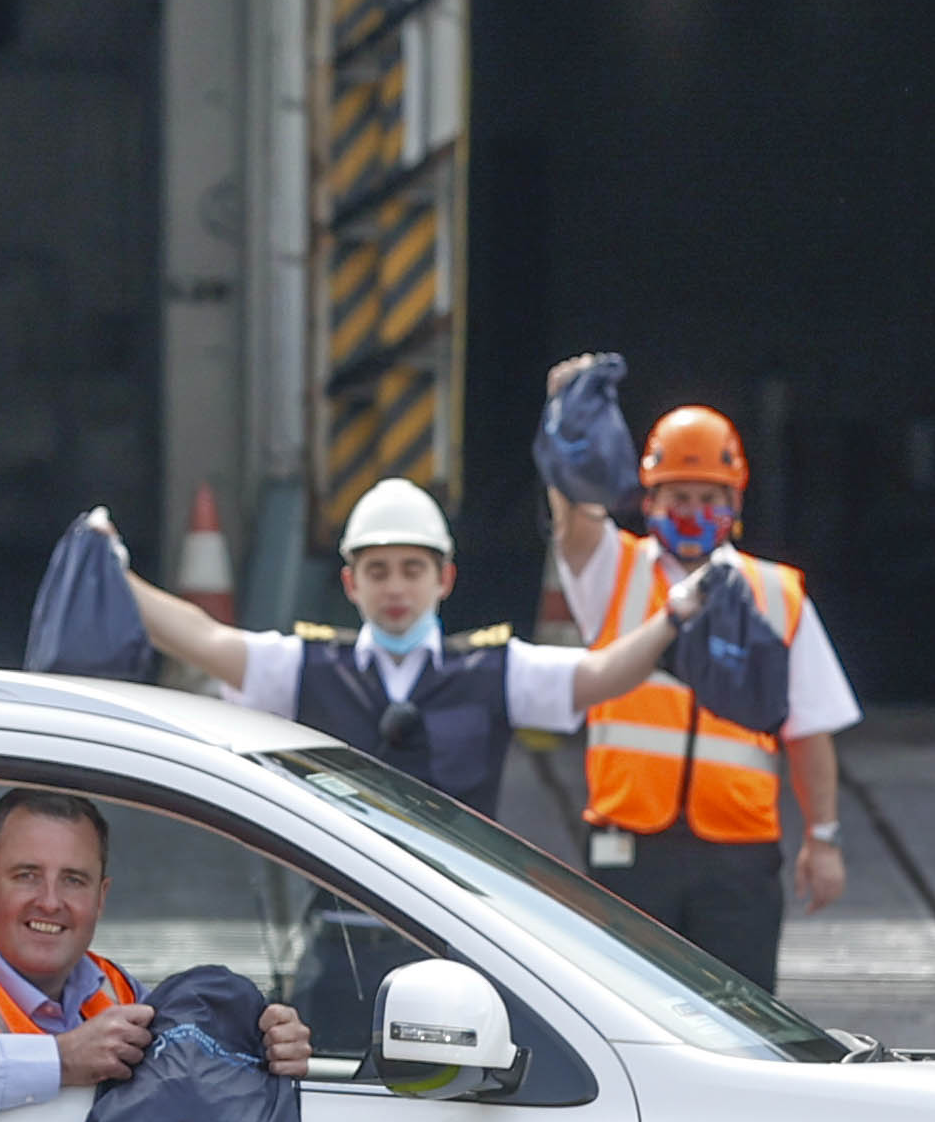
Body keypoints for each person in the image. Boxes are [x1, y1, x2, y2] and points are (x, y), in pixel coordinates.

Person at [103, 473, 710, 808]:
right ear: (350, 583)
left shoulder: (495, 668)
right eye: (378, 570)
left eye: (412, 569)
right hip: (341, 928)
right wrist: (113, 571)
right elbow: (205, 640)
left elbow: (602, 676)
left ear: (445, 578)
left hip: (462, 932)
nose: (396, 587)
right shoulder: (310, 665)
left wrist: (675, 616)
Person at [539, 374, 857, 988]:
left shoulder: (777, 593)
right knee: (624, 1013)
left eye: (708, 497)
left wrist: (823, 839)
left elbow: (810, 729)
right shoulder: (614, 570)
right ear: (649, 502)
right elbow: (574, 516)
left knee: (743, 1023)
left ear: (735, 507)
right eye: (676, 496)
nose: (692, 512)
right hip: (629, 845)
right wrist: (567, 414)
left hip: (736, 854)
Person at [0, 784, 312, 1117]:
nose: (50, 901)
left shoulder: (114, 987)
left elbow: (197, 1059)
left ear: (101, 898)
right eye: (26, 875)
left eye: (73, 880)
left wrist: (264, 1046)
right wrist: (61, 1059)